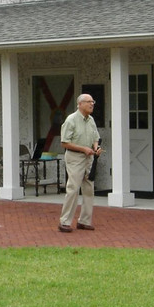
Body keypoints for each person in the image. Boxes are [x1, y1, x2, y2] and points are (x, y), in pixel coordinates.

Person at [58, 93, 102, 232]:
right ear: (80, 104)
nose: (92, 104)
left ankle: (84, 221)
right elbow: (65, 142)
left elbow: (96, 137)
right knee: (73, 189)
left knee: (89, 189)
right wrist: (83, 149)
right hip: (75, 157)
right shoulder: (71, 120)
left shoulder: (91, 120)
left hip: (89, 158)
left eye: (93, 101)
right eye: (89, 102)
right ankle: (65, 221)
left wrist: (96, 148)